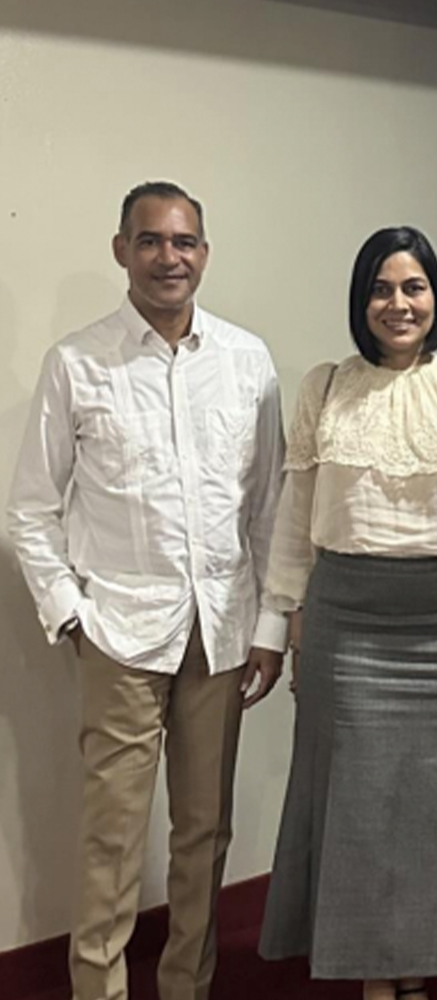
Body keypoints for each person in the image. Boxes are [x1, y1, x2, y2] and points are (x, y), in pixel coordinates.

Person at [7, 181, 286, 1000]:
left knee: (204, 833)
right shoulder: (77, 362)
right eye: (153, 241)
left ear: (204, 252)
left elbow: (268, 507)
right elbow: (31, 512)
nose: (171, 257)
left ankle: (186, 988)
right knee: (112, 838)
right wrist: (72, 616)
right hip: (121, 633)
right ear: (122, 249)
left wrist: (269, 625)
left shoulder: (247, 361)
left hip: (221, 632)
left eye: (186, 242)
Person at [257, 227, 437, 1000]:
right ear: (361, 300)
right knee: (361, 802)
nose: (398, 303)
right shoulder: (326, 386)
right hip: (348, 616)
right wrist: (286, 623)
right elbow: (295, 512)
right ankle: (373, 969)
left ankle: (421, 962)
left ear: (435, 298)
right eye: (382, 288)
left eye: (414, 287)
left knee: (433, 802)